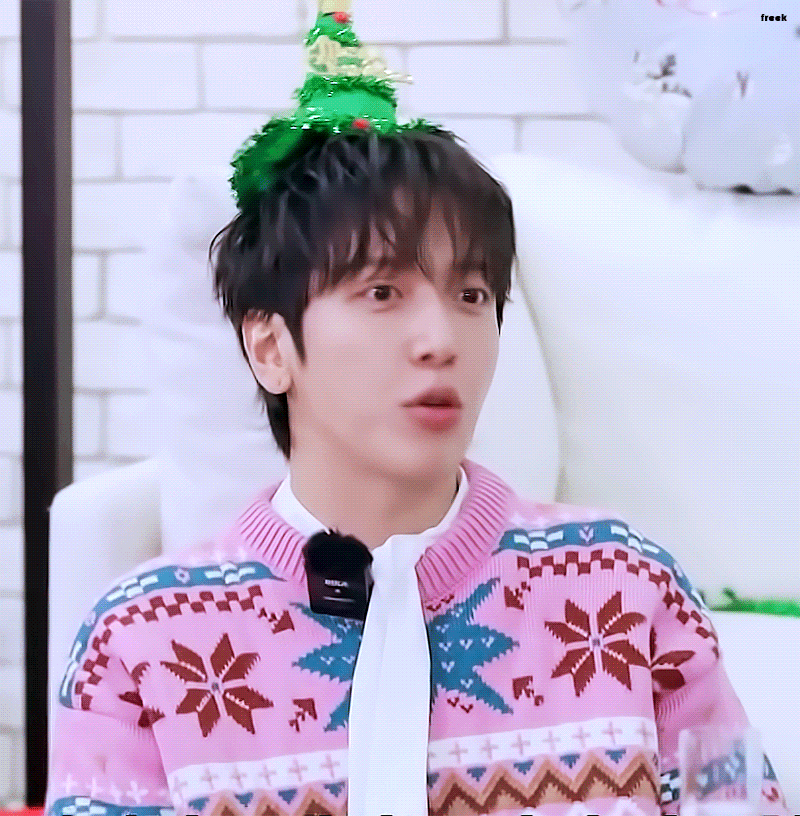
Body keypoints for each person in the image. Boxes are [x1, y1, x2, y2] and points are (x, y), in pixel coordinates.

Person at [45, 4, 790, 816]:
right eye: (382, 293)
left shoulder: (627, 588)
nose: (441, 340)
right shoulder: (143, 640)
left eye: (471, 295)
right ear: (270, 347)